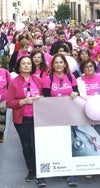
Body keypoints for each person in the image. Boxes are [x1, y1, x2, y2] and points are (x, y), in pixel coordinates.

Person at [6, 56, 45, 186]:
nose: (27, 65)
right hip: (21, 120)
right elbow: (9, 103)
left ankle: (41, 173)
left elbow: (45, 97)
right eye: (24, 63)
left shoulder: (38, 80)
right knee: (27, 146)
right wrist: (23, 101)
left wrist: (41, 98)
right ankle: (31, 171)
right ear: (19, 66)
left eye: (29, 63)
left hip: (37, 118)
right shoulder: (14, 82)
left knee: (37, 146)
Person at [42, 53, 79, 186]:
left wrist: (75, 94)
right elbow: (45, 100)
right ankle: (57, 168)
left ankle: (71, 173)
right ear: (52, 65)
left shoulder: (71, 76)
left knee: (69, 143)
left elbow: (77, 94)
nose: (58, 65)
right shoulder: (48, 79)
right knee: (56, 143)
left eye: (61, 62)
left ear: (65, 64)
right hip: (54, 117)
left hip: (69, 116)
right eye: (56, 62)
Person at [0, 58, 11, 142]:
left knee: (2, 118)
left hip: (3, 100)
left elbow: (10, 84)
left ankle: (1, 135)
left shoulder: (4, 71)